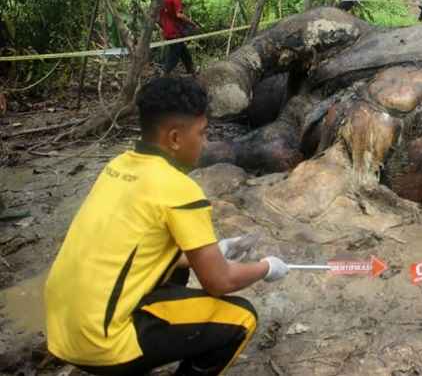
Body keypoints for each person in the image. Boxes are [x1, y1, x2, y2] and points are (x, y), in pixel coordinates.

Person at [44, 77, 290, 376]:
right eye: (202, 133)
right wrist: (266, 268)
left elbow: (132, 248)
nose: (206, 143)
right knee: (241, 318)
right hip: (101, 343)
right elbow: (220, 281)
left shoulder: (118, 166)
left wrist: (217, 250)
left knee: (179, 265)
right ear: (174, 138)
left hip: (62, 329)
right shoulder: (179, 189)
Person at [160, 0, 198, 76]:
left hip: (167, 31)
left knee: (183, 52)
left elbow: (158, 17)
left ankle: (191, 70)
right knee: (174, 56)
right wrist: (191, 23)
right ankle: (163, 74)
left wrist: (163, 27)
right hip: (175, 32)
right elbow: (179, 15)